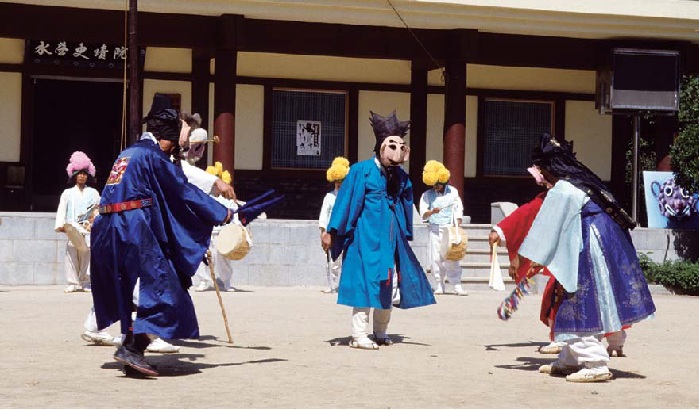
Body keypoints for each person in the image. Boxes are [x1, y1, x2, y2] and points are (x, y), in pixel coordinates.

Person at [90, 94, 233, 377]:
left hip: (108, 226)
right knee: (167, 287)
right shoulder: (153, 157)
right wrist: (221, 212)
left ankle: (131, 349)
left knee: (127, 291)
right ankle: (134, 347)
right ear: (167, 136)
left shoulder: (128, 153)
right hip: (132, 225)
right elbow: (182, 190)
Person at [516, 133, 656, 382]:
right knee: (580, 300)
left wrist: (530, 260)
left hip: (587, 246)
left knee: (579, 301)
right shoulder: (582, 182)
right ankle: (571, 358)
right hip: (604, 242)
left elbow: (547, 228)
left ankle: (594, 361)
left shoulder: (564, 189)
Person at [321, 110, 436, 350]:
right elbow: (344, 202)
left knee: (387, 284)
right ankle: (358, 335)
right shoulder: (360, 171)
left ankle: (381, 331)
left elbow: (405, 203)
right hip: (364, 238)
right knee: (364, 283)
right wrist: (331, 231)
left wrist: (404, 234)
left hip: (389, 240)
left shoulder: (401, 176)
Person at [488, 166, 566, 354]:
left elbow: (535, 219)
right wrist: (500, 230)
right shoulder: (549, 197)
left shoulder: (564, 195)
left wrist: (520, 256)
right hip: (565, 251)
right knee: (557, 293)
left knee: (560, 293)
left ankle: (565, 339)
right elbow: (528, 213)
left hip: (577, 249)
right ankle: (611, 341)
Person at [54, 151, 101, 293]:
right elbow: (62, 209)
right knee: (71, 255)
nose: (82, 176)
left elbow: (98, 209)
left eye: (84, 173)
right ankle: (72, 282)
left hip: (87, 228)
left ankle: (86, 282)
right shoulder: (67, 193)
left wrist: (96, 223)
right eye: (79, 173)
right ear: (74, 175)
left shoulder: (93, 192)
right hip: (72, 228)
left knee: (87, 255)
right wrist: (61, 225)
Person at [419, 160, 467, 296]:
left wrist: (457, 224)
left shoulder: (453, 192)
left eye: (437, 184)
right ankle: (439, 284)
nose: (435, 187)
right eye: (433, 185)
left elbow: (458, 208)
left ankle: (457, 285)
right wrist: (431, 212)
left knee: (452, 257)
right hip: (434, 228)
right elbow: (423, 212)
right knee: (436, 258)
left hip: (449, 229)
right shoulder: (427, 195)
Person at [318, 156, 349, 293]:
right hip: (333, 232)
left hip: (347, 231)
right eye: (337, 181)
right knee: (333, 260)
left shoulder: (349, 196)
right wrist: (323, 231)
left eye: (342, 181)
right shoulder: (329, 197)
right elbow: (324, 215)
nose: (339, 184)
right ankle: (333, 285)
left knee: (347, 259)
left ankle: (345, 286)